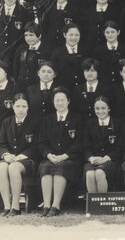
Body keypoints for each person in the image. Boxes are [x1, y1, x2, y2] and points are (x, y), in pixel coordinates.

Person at [38, 88, 82, 217]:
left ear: (68, 101)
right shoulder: (48, 119)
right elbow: (41, 142)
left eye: (62, 100)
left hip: (70, 158)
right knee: (45, 167)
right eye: (57, 100)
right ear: (53, 102)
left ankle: (56, 205)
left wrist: (64, 156)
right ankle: (46, 205)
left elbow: (79, 142)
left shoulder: (77, 119)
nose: (60, 103)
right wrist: (49, 155)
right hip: (52, 157)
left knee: (60, 168)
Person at [0, 94, 39, 216]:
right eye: (18, 106)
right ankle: (7, 206)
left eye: (24, 106)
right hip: (10, 157)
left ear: (28, 107)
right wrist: (6, 155)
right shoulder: (6, 122)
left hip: (28, 160)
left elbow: (37, 145)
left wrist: (22, 156)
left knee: (13, 167)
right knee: (1, 167)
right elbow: (1, 144)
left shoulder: (35, 122)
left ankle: (16, 206)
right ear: (13, 107)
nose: (21, 109)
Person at [83, 96, 122, 196]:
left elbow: (120, 148)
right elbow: (86, 147)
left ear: (109, 108)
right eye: (97, 108)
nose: (100, 111)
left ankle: (102, 203)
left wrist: (106, 158)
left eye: (103, 108)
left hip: (111, 161)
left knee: (99, 173)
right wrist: (91, 158)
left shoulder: (117, 123)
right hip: (93, 161)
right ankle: (94, 204)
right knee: (89, 174)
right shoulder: (89, 124)